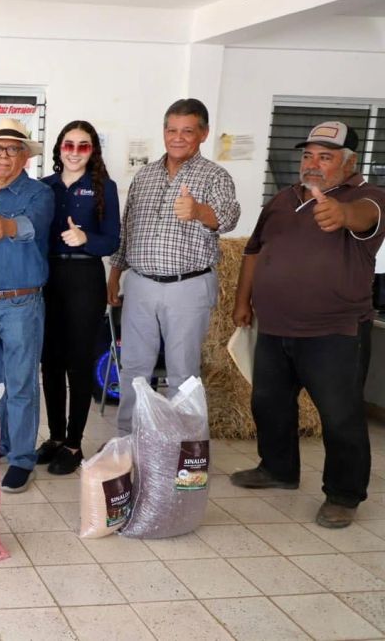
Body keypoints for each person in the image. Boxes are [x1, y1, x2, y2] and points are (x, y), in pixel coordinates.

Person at [230, 121, 385, 529]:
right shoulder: (283, 199)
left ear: (349, 163)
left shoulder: (368, 197)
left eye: (326, 156)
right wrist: (242, 301)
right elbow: (253, 250)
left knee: (340, 415)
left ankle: (344, 495)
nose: (313, 164)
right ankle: (278, 469)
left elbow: (364, 217)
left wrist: (341, 214)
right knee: (269, 403)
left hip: (334, 332)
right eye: (308, 155)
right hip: (274, 326)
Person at [107, 98, 240, 436]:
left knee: (183, 372)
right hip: (140, 283)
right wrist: (115, 275)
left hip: (188, 285)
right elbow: (127, 229)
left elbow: (228, 218)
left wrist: (198, 211)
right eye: (171, 130)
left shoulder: (215, 176)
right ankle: (129, 439)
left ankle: (185, 448)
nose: (177, 138)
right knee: (134, 368)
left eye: (187, 131)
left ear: (203, 134)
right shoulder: (145, 175)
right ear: (164, 132)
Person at [0, 119, 54, 492]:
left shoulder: (39, 194)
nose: (3, 155)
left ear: (24, 156)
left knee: (20, 385)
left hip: (21, 304)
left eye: (12, 149)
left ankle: (21, 459)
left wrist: (6, 226)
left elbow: (31, 226)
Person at [36, 121, 120, 475]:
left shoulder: (104, 188)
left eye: (82, 146)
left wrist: (86, 238)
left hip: (85, 278)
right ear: (59, 148)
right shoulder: (44, 187)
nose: (74, 152)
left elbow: (112, 241)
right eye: (68, 145)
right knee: (50, 362)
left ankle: (73, 443)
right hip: (48, 277)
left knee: (79, 363)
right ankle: (55, 437)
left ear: (92, 151)